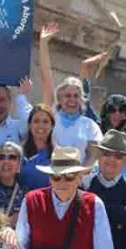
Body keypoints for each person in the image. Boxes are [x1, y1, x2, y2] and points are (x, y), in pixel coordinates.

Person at [39, 23, 104, 165]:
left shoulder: (89, 125)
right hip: (49, 174)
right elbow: (46, 77)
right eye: (68, 96)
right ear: (60, 98)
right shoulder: (51, 115)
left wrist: (79, 176)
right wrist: (43, 43)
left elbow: (93, 157)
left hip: (76, 179)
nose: (72, 100)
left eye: (76, 96)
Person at [20, 104, 55, 191]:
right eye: (36, 121)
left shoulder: (59, 154)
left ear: (52, 126)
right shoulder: (18, 153)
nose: (41, 125)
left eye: (45, 122)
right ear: (29, 125)